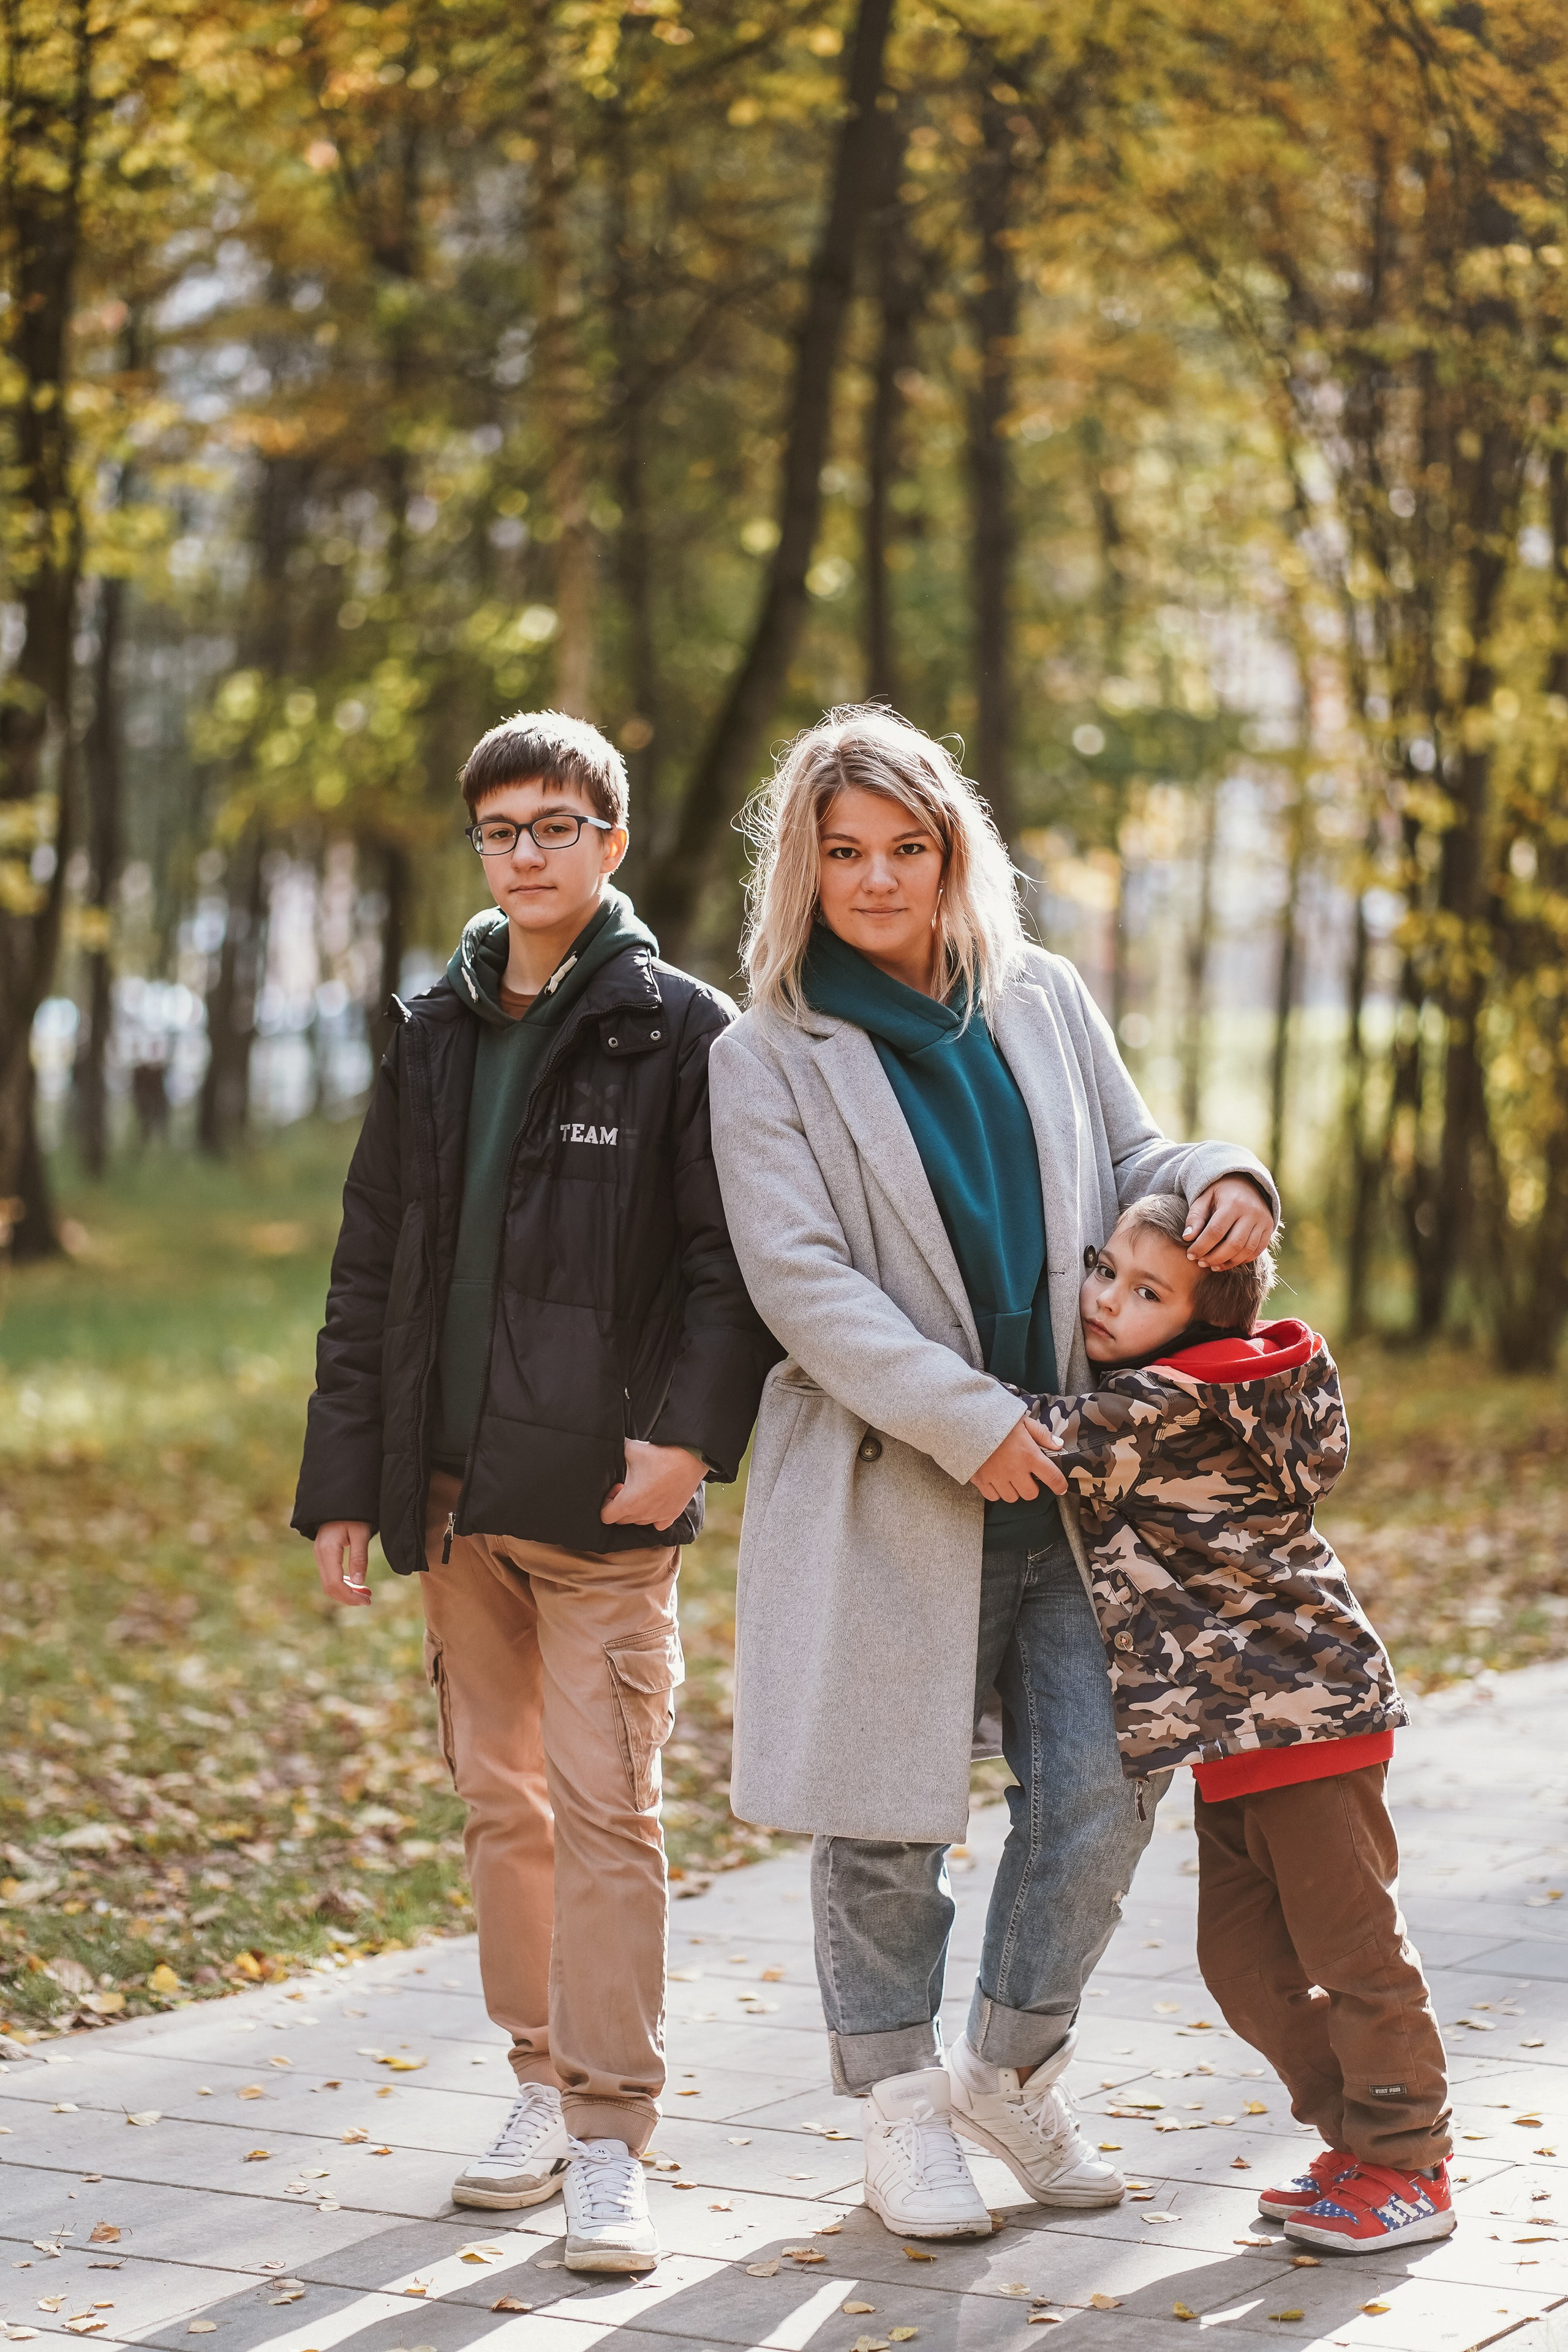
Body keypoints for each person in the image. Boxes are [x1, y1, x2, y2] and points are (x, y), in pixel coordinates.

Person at [706, 704, 1278, 2241]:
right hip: (897, 1480)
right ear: (803, 870)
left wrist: (1217, 1176)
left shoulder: (1039, 997)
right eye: (844, 853)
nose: (877, 879)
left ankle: (1007, 2073)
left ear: (952, 851)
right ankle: (899, 2114)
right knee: (885, 1821)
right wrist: (966, 1420)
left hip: (1078, 1486)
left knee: (1103, 1789)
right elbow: (800, 1280)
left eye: (907, 847)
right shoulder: (763, 1056)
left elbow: (1135, 1159)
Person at [292, 711, 777, 2274]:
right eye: (500, 831)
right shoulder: (434, 1025)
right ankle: (534, 2083)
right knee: (501, 1807)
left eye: (555, 827)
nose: (525, 855)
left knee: (607, 1812)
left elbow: (728, 1267)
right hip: (447, 1497)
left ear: (609, 842)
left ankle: (610, 2136)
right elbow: (370, 1266)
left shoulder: (680, 1029)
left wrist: (686, 1444)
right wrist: (348, 1482)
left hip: (600, 1505)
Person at [1026, 1191, 1453, 2253]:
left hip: (1307, 1719)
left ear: (1203, 1316)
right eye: (1105, 1270)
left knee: (1355, 1952)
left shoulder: (1164, 1404)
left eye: (1147, 1292)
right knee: (1243, 1964)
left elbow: (1023, 1437)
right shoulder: (1196, 1388)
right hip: (1238, 1733)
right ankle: (1361, 2141)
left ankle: (1410, 2162)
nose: (1105, 1299)